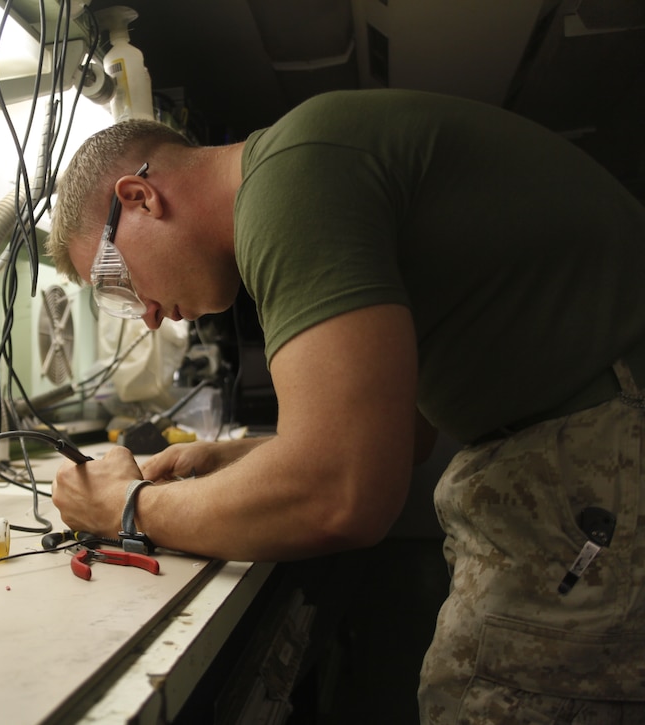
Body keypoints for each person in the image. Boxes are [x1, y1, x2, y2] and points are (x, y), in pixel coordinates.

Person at [45, 88, 645, 723]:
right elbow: (396, 439)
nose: (147, 314)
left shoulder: (289, 184)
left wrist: (126, 507)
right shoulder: (308, 161)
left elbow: (343, 493)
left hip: (599, 462)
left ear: (139, 199)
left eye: (116, 280)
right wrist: (233, 459)